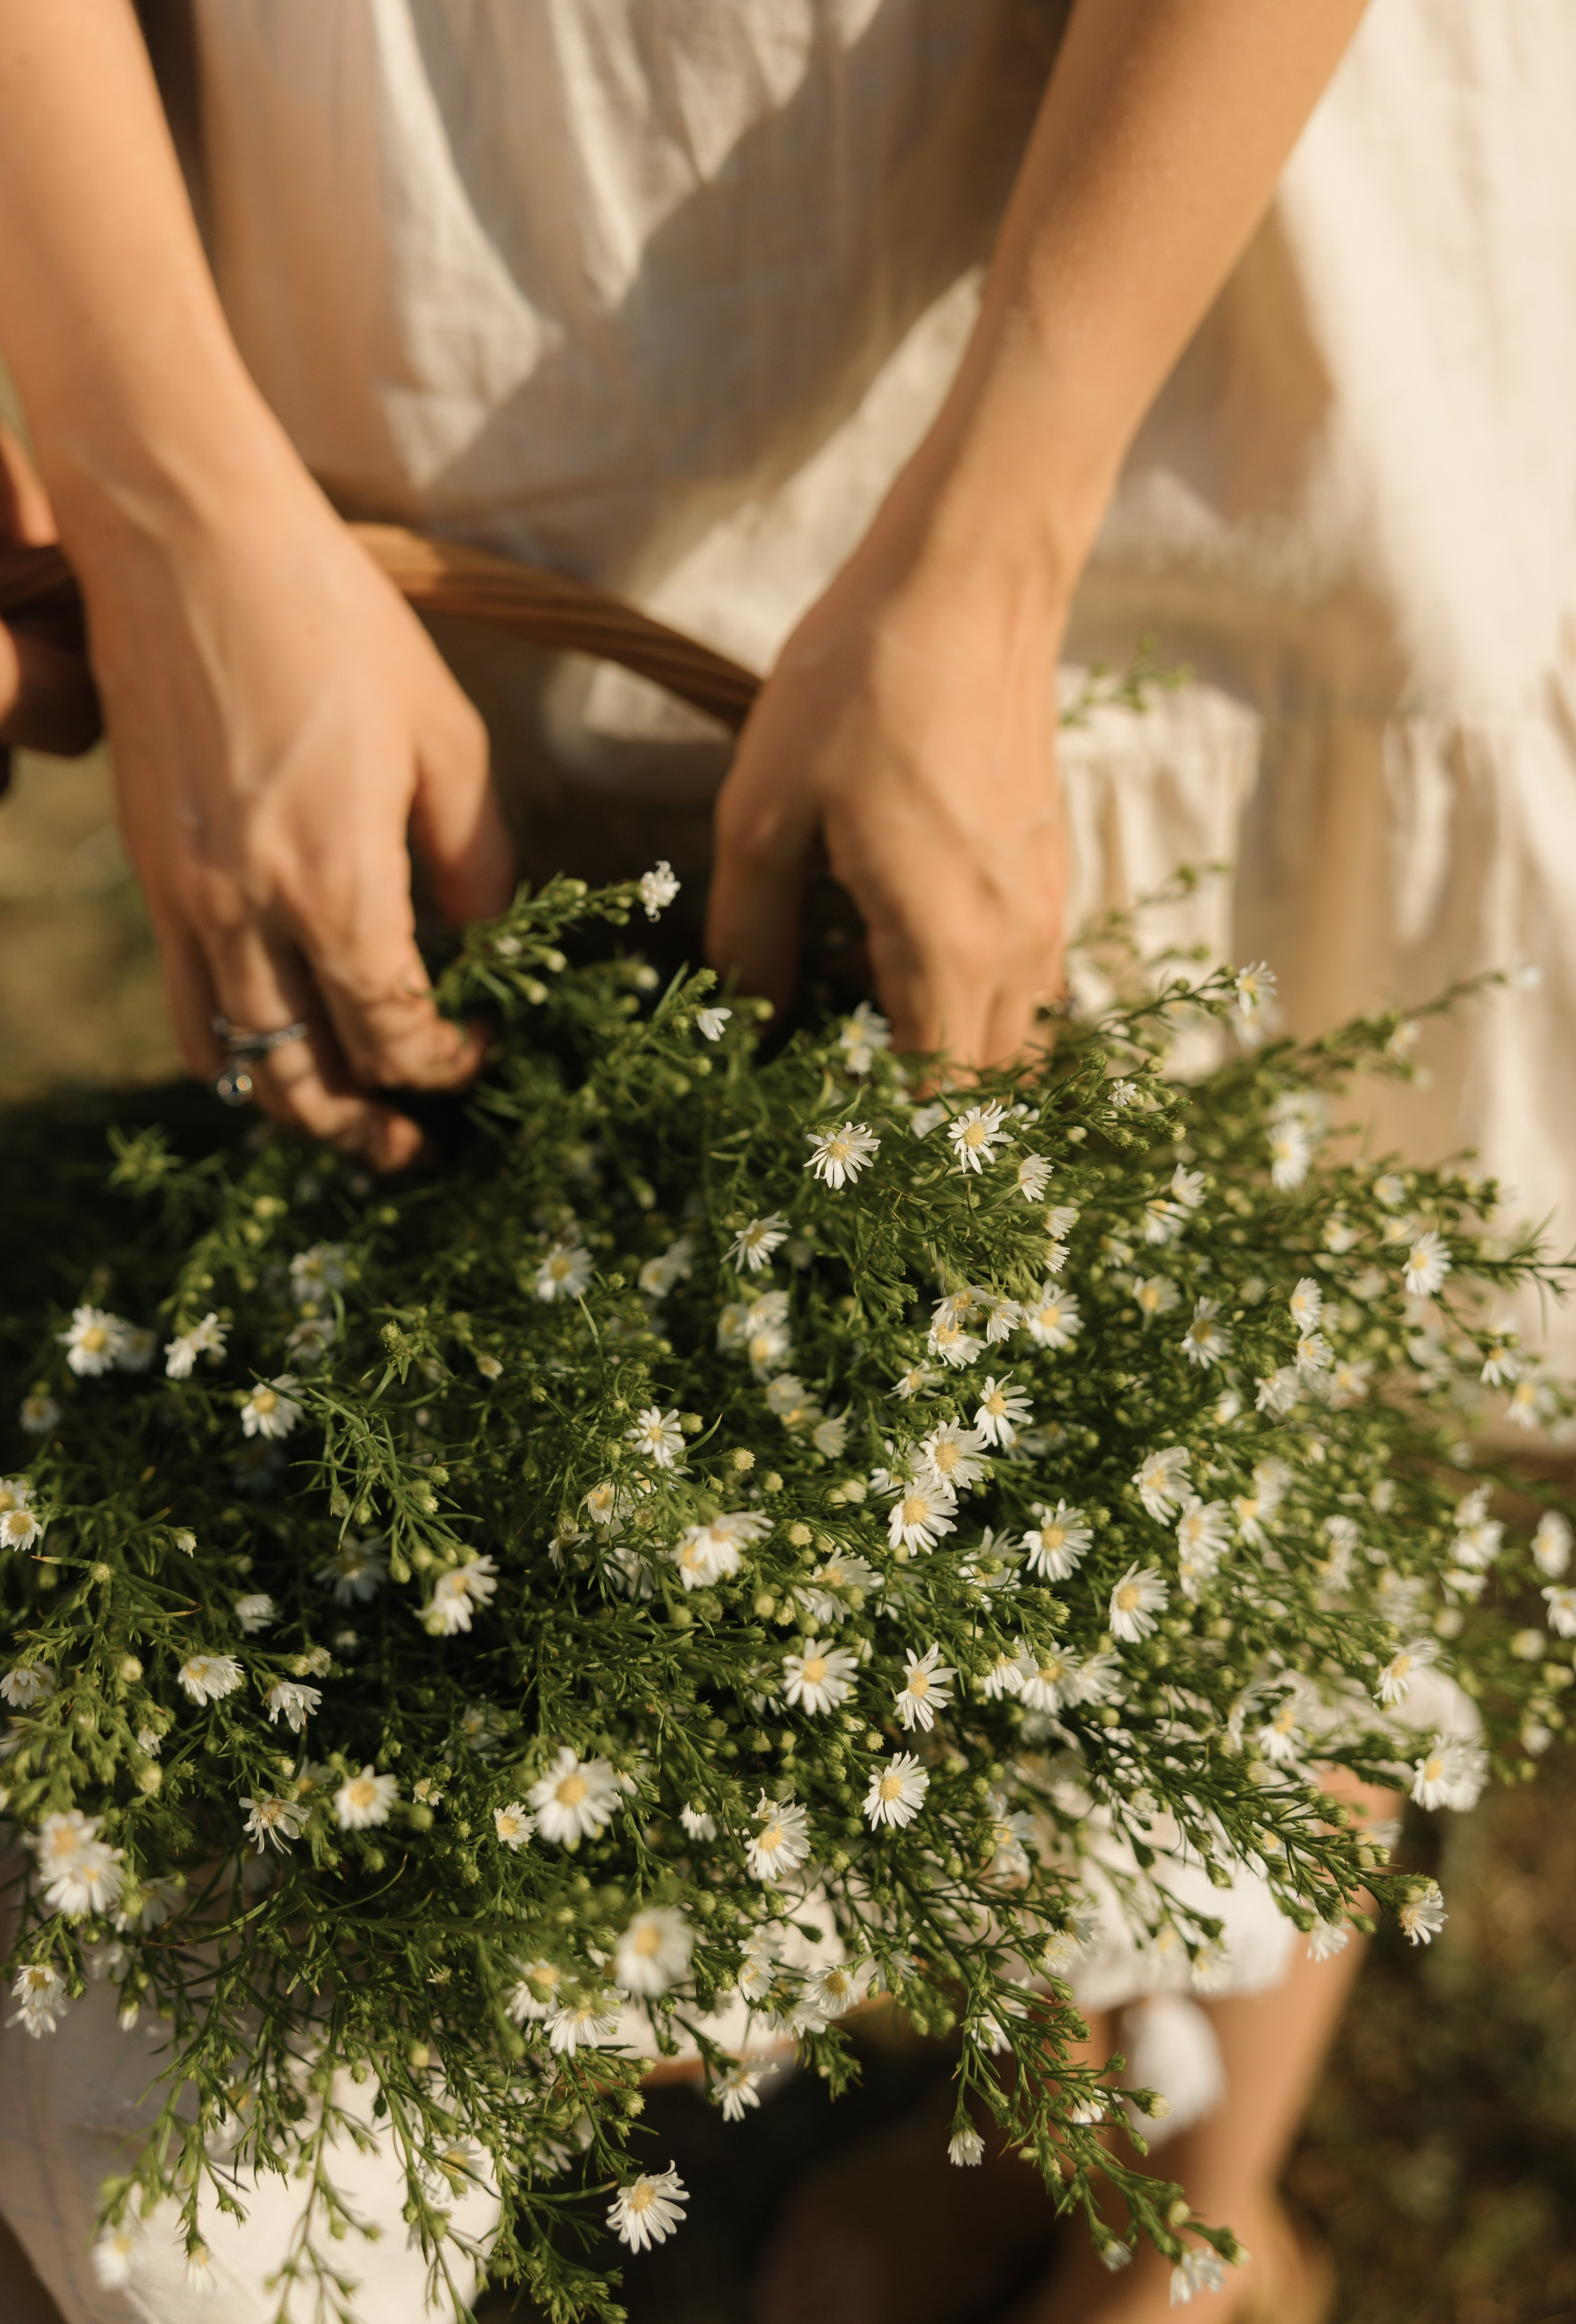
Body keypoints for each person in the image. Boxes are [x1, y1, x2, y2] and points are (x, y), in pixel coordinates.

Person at [0, 3, 1567, 2320]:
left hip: (1176, 167)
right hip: (459, 197)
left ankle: (1183, 2203)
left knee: (1255, 1242)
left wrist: (1007, 518)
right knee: (544, 1065)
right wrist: (166, 486)